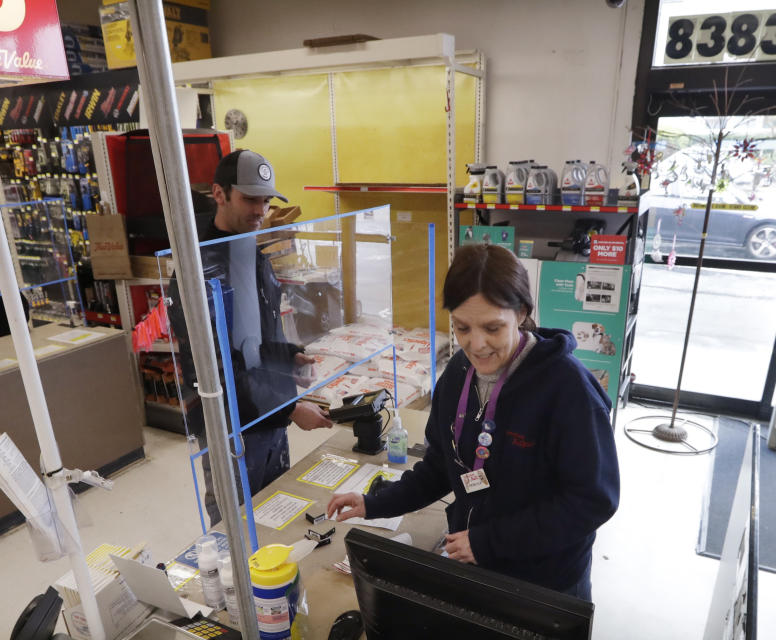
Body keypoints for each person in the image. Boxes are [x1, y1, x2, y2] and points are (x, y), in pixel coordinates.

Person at [327, 244, 619, 601]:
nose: (476, 344)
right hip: (475, 563)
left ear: (522, 312)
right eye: (462, 327)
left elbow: (591, 501)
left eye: (493, 328)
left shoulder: (570, 390)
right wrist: (375, 503)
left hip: (544, 583)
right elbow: (441, 466)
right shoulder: (458, 373)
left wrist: (489, 542)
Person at [170, 149, 333, 526]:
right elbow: (215, 366)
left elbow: (254, 340)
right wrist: (290, 409)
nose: (261, 210)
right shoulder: (199, 271)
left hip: (270, 419)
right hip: (232, 428)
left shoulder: (254, 254)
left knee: (279, 519)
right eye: (250, 199)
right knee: (237, 531)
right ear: (219, 193)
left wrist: (288, 356)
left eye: (266, 200)